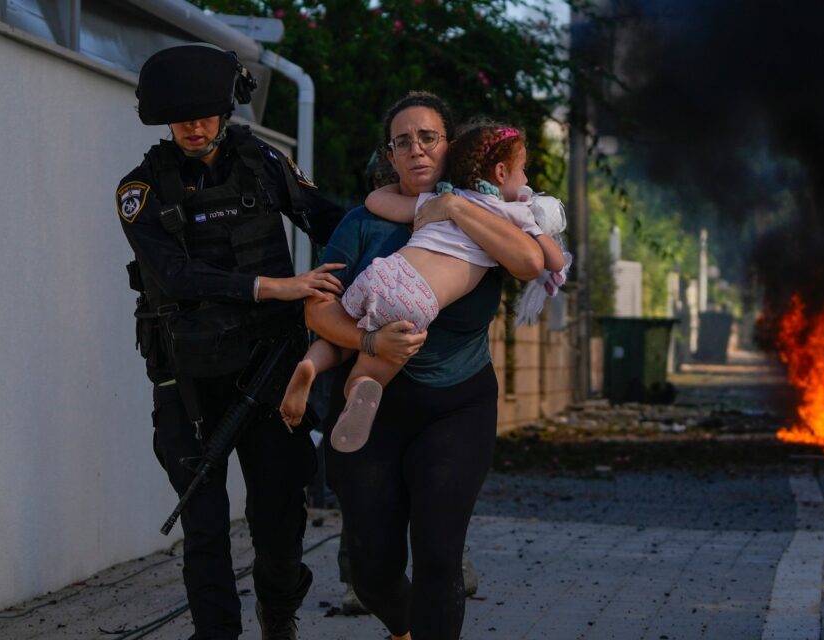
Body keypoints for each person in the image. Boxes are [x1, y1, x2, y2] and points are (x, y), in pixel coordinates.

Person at [116, 44, 344, 640]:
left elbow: (326, 219)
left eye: (206, 114)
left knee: (278, 519)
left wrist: (400, 236)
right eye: (183, 117)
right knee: (206, 522)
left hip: (268, 370)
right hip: (189, 381)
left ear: (226, 109)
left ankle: (278, 610)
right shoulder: (140, 189)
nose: (195, 127)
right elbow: (176, 276)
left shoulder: (262, 163)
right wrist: (274, 285)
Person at [308, 92, 544, 640]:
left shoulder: (486, 213)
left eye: (428, 138)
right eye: (402, 142)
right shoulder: (363, 221)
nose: (415, 150)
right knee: (372, 573)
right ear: (389, 155)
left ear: (452, 146)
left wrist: (455, 206)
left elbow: (531, 262)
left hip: (456, 407)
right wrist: (370, 343)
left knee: (440, 556)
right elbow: (318, 308)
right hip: (372, 407)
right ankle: (404, 629)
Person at [279, 122, 567, 451]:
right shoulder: (514, 215)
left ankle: (310, 365)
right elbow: (552, 262)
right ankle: (361, 388)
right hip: (417, 300)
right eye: (523, 171)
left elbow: (376, 201)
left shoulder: (442, 199)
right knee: (372, 369)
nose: (527, 180)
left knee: (341, 333)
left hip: (384, 272)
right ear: (501, 173)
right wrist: (542, 230)